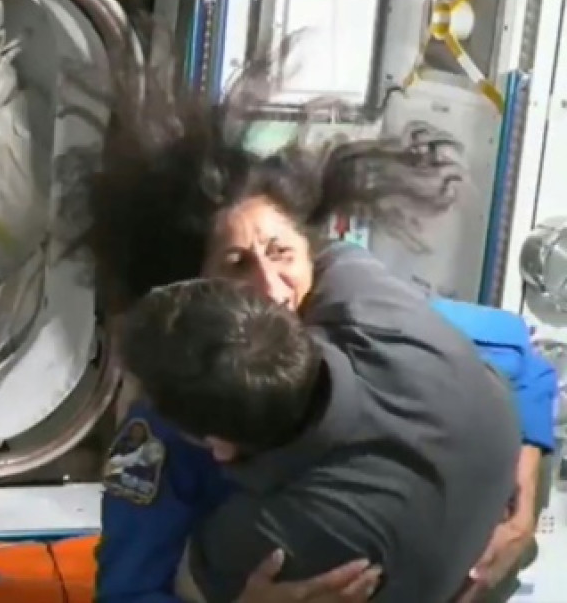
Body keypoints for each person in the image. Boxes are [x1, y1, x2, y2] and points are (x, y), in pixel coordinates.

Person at [81, 48, 554, 602]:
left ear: (314, 253)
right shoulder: (174, 423)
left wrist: (523, 497)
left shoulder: (367, 321)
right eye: (236, 267)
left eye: (280, 252)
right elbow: (126, 593)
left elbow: (523, 361)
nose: (272, 288)